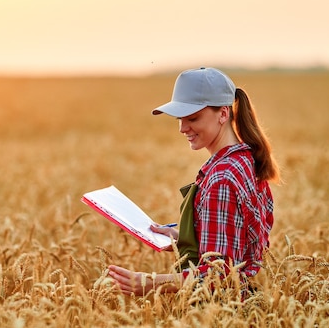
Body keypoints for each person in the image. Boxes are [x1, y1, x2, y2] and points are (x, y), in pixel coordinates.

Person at [107, 67, 280, 296]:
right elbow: (241, 245)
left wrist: (149, 283)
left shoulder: (222, 179)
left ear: (223, 114)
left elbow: (218, 276)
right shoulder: (246, 161)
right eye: (180, 119)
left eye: (193, 118)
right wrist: (184, 238)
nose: (182, 128)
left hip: (221, 316)